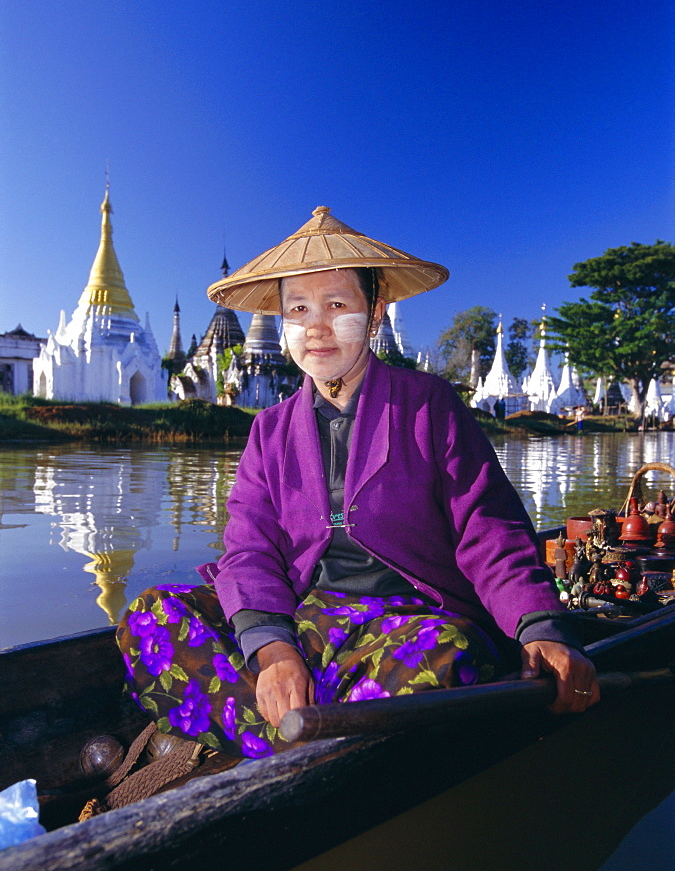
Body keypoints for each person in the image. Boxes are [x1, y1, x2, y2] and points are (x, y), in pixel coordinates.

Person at [116, 207, 599, 762]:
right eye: (297, 309)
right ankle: (326, 733)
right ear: (282, 323)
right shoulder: (268, 432)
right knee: (150, 616)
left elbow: (489, 530)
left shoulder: (429, 406)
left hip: (409, 624)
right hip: (306, 618)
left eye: (337, 305)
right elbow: (248, 550)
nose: (315, 326)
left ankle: (279, 733)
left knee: (446, 657)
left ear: (375, 314)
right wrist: (273, 649)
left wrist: (541, 626)